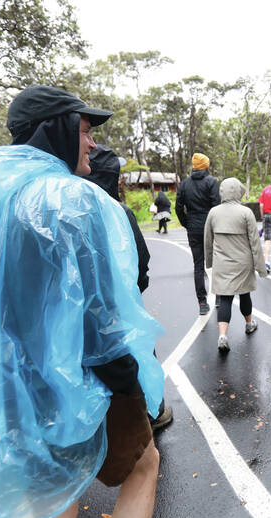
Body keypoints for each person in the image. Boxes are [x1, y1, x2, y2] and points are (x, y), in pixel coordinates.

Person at [0, 85, 164, 518]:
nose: (93, 143)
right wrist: (127, 383)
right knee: (143, 465)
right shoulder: (70, 199)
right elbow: (98, 314)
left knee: (50, 492)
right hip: (80, 379)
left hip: (11, 382)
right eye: (83, 130)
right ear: (52, 130)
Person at [86, 145, 173, 433]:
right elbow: (142, 264)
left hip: (86, 317)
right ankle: (154, 412)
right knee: (142, 354)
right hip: (123, 311)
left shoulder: (72, 209)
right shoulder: (119, 212)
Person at [204, 178, 268, 353]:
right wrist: (261, 268)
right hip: (243, 262)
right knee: (244, 294)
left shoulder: (213, 213)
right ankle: (249, 324)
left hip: (222, 263)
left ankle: (223, 335)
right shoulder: (246, 213)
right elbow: (255, 242)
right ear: (239, 191)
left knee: (224, 298)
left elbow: (208, 241)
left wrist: (209, 262)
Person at [175, 153, 220, 315]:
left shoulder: (185, 184)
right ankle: (220, 297)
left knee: (198, 266)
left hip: (193, 228)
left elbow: (178, 208)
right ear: (205, 165)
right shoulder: (211, 182)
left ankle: (202, 302)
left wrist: (187, 223)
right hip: (211, 227)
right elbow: (217, 206)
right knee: (216, 263)